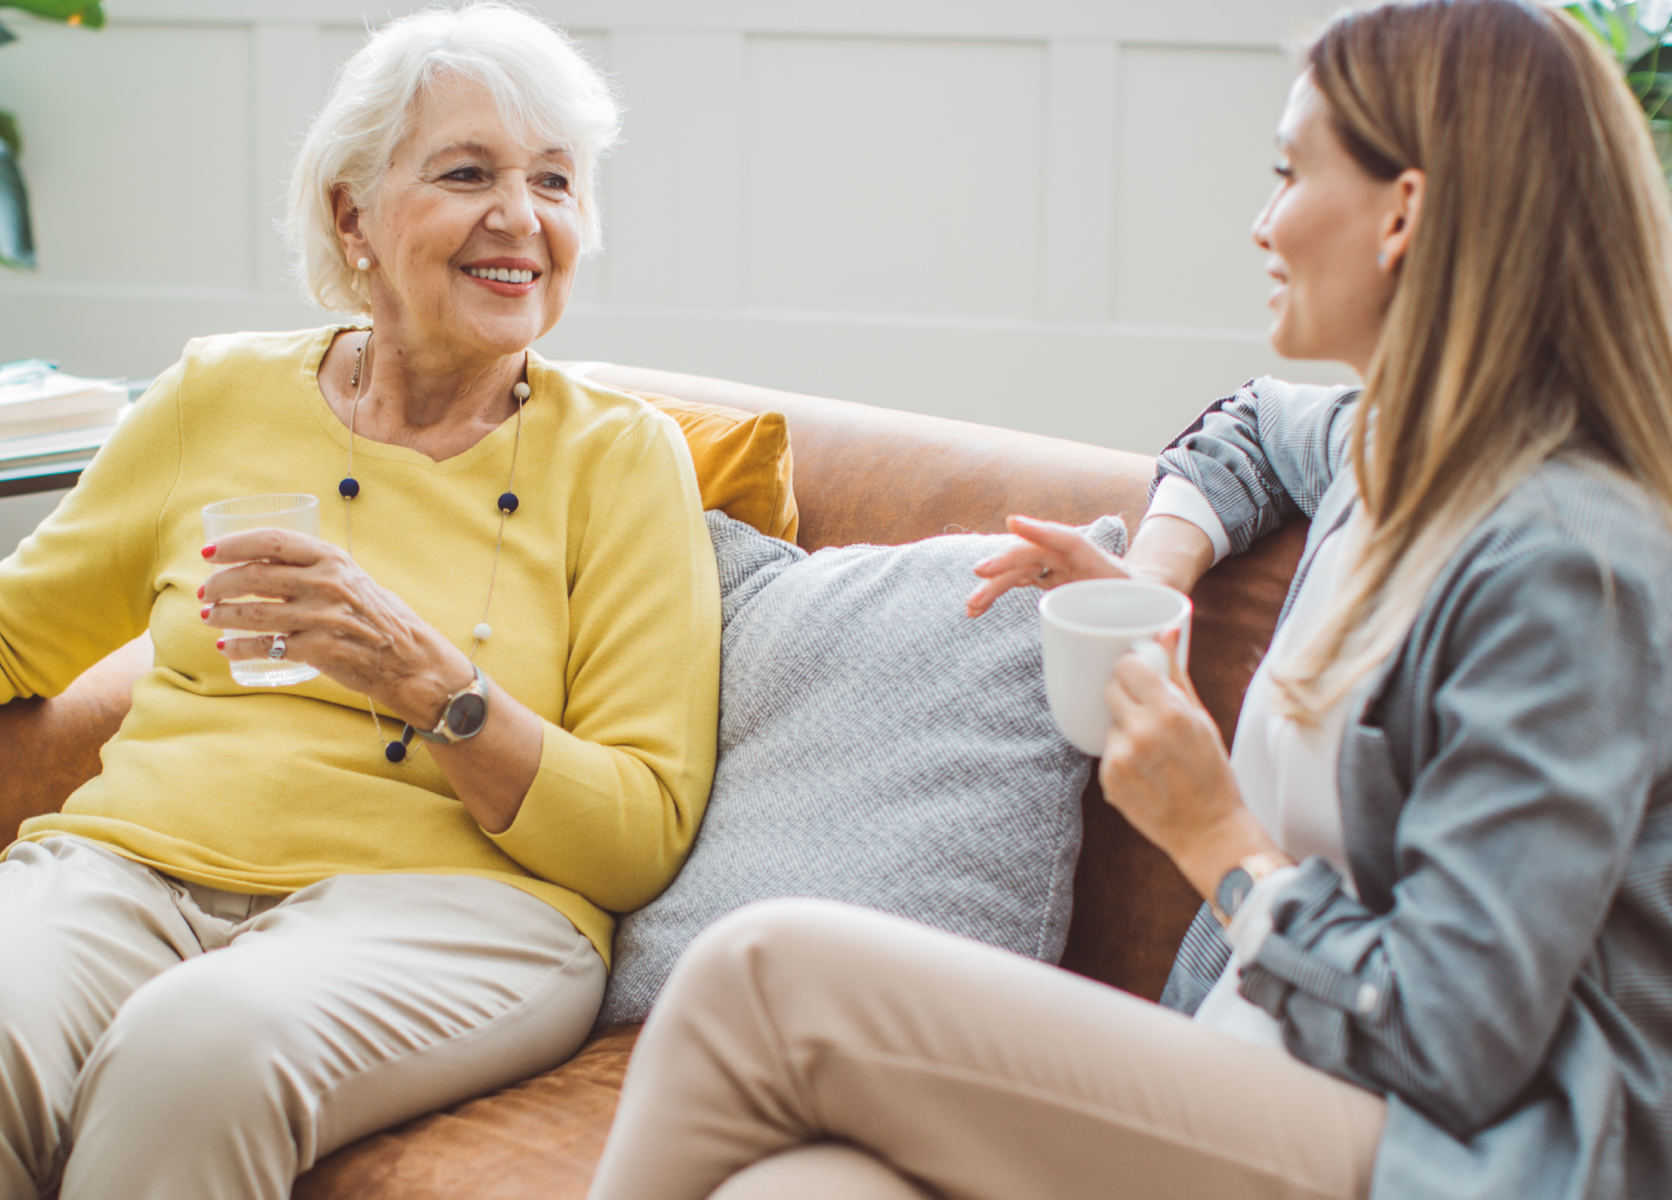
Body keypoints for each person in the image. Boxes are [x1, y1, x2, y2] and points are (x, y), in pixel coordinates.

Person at [584, 2, 1672, 1198]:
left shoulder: (1569, 568)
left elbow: (1453, 1046)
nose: (1260, 224)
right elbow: (1251, 425)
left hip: (1449, 1154)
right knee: (796, 1191)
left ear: (1401, 213)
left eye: (1285, 172)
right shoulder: (1392, 453)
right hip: (1262, 1071)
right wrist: (1151, 588)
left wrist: (1214, 836)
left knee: (766, 974)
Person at [0, 4, 721, 1198]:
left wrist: (435, 687)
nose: (519, 219)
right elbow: (6, 625)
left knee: (195, 1053)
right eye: (467, 172)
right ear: (350, 213)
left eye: (554, 182)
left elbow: (637, 833)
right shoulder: (216, 394)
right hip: (133, 868)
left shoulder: (621, 462)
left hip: (456, 906)